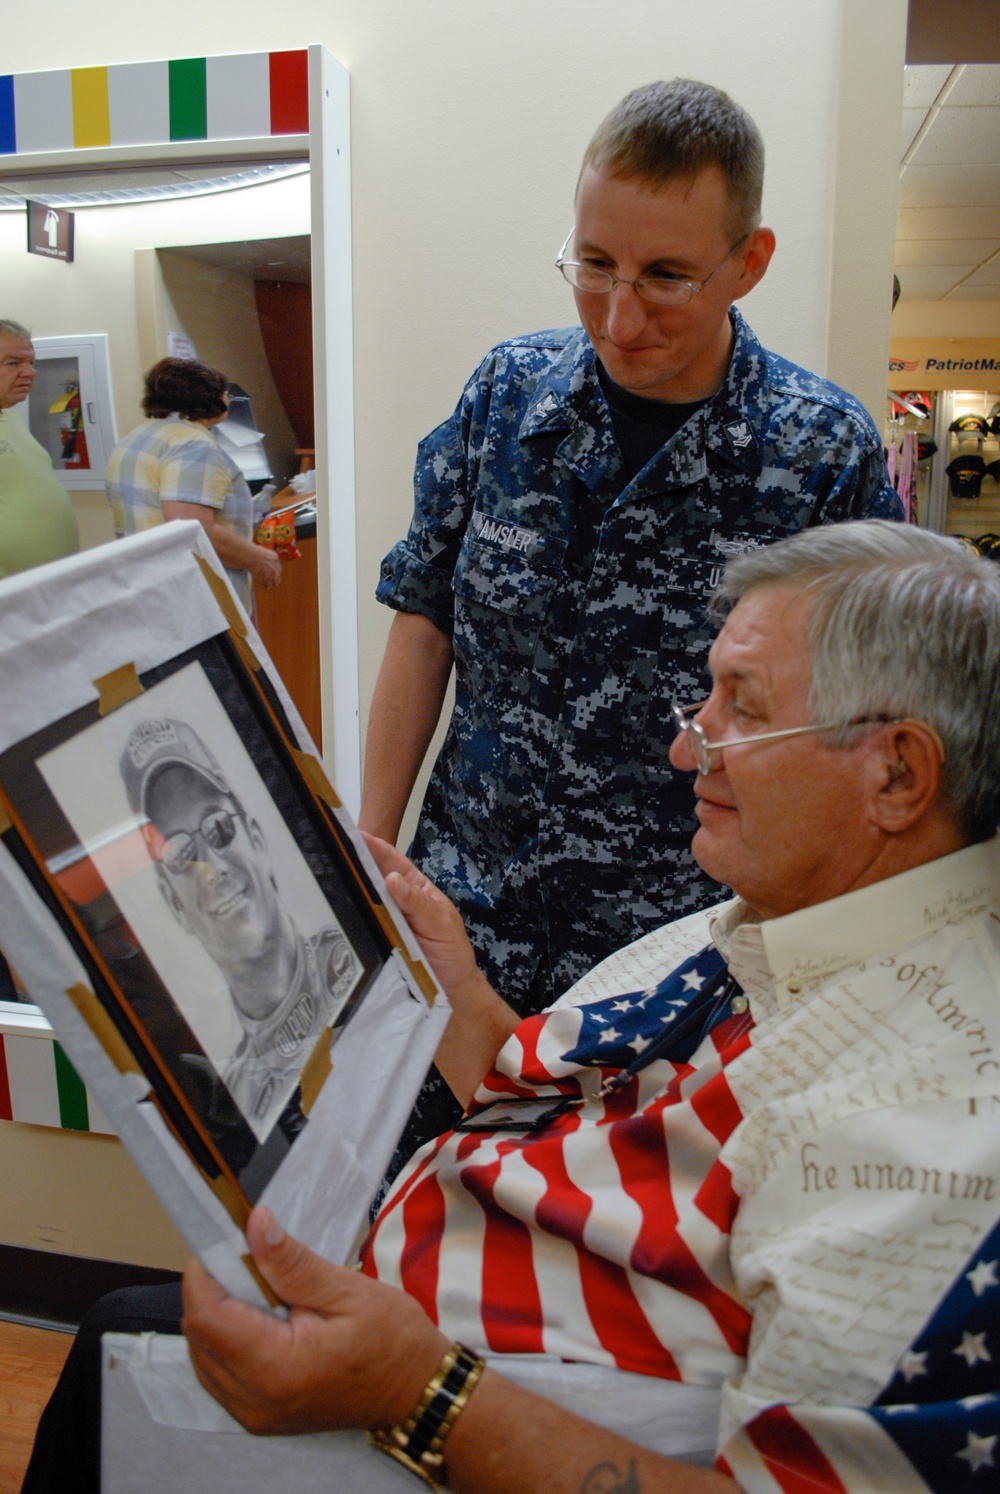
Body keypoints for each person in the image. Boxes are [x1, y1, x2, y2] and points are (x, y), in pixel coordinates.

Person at [25, 521, 1000, 1493]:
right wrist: (455, 987)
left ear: (897, 774)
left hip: (433, 1408)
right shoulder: (797, 913)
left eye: (739, 710)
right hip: (406, 1298)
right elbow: (575, 1113)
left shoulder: (927, 1137)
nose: (681, 745)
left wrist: (417, 1392)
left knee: (116, 1333)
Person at [360, 78, 904, 1164]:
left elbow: (857, 726)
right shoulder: (507, 397)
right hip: (464, 916)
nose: (620, 317)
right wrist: (368, 850)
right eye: (593, 267)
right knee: (417, 1208)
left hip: (663, 963)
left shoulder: (820, 452)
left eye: (664, 278)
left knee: (591, 1246)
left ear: (748, 262)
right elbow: (423, 624)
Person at [120, 716, 359, 1126]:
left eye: (218, 827)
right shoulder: (239, 1104)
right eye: (180, 853)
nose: (211, 867)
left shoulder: (359, 971)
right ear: (175, 905)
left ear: (258, 839)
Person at [105, 357, 281, 615]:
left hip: (147, 588)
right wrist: (260, 558)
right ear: (209, 397)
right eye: (224, 393)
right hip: (194, 599)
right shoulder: (193, 444)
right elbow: (191, 528)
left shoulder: (137, 438)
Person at [0, 317, 79, 578]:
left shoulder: (10, 415)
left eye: (30, 362)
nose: (30, 372)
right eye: (13, 363)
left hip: (47, 586)